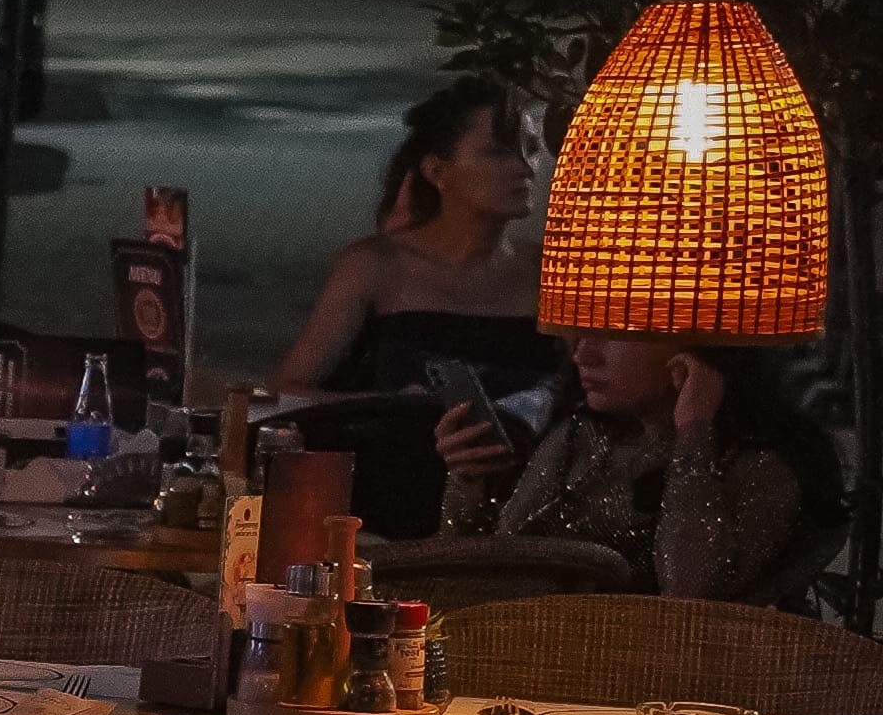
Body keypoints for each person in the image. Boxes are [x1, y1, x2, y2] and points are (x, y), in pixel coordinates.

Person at [271, 80, 554, 535]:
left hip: (521, 512)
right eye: (500, 152)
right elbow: (288, 392)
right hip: (394, 500)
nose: (526, 167)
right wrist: (392, 405)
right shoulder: (376, 266)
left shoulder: (551, 272)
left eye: (534, 149)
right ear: (437, 170)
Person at [442, 329, 843, 606]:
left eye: (615, 333)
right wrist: (470, 486)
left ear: (697, 343)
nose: (583, 354)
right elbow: (491, 568)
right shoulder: (582, 435)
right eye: (582, 330)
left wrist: (694, 431)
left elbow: (690, 596)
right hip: (522, 655)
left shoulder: (758, 465)